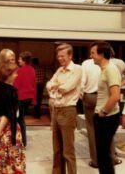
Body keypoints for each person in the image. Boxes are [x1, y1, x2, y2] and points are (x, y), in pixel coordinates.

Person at [46, 43, 82, 174]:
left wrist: (56, 86)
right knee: (57, 149)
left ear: (70, 55)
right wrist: (56, 85)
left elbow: (66, 87)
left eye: (63, 56)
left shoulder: (77, 69)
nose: (60, 59)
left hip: (68, 111)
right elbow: (48, 85)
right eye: (58, 56)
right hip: (55, 110)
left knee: (68, 150)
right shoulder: (59, 70)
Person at [0, 62, 26, 174]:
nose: (16, 75)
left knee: (1, 160)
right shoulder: (11, 91)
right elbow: (8, 115)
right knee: (12, 161)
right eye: (15, 73)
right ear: (8, 75)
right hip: (9, 131)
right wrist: (0, 131)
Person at [90, 41, 121, 174]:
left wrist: (103, 112)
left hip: (107, 117)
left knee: (104, 155)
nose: (91, 56)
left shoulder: (111, 69)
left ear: (101, 54)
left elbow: (115, 96)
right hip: (102, 116)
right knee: (102, 154)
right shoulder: (104, 69)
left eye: (93, 53)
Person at [80, 59, 101, 169]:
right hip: (103, 96)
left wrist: (81, 96)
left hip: (89, 96)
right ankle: (112, 157)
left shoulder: (86, 63)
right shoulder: (109, 63)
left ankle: (95, 160)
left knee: (91, 127)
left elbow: (82, 82)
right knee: (105, 128)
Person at [14, 51, 37, 147]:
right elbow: (34, 85)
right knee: (21, 119)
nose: (18, 60)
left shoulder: (20, 70)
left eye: (20, 59)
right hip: (28, 98)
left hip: (20, 98)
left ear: (24, 60)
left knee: (17, 119)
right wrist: (34, 100)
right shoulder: (32, 70)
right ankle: (23, 141)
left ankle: (19, 141)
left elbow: (16, 85)